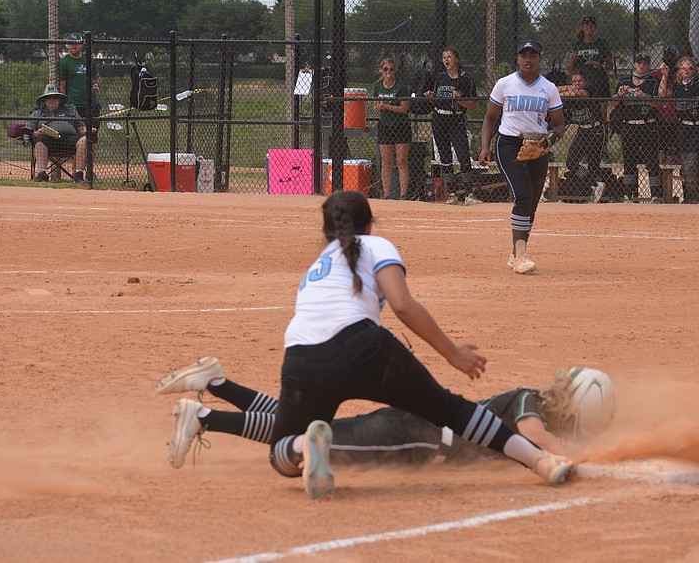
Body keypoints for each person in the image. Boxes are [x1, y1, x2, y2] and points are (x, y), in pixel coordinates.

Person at [167, 191, 575, 499]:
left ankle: (301, 444)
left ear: (327, 231)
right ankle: (541, 461)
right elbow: (402, 304)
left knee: (280, 451)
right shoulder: (376, 245)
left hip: (301, 360)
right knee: (451, 410)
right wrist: (453, 353)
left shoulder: (316, 266)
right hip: (364, 348)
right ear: (370, 224)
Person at [158, 358, 616, 467]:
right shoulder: (530, 401)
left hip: (419, 426)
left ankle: (218, 386)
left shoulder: (531, 400)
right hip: (423, 436)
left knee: (303, 425)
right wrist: (587, 458)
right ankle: (204, 417)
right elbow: (535, 435)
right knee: (320, 441)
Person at [478, 40, 565, 274]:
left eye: (533, 55)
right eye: (524, 55)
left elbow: (559, 125)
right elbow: (489, 118)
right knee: (523, 196)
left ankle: (516, 252)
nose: (528, 59)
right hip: (509, 144)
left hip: (538, 146)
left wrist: (549, 142)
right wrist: (485, 147)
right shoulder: (505, 84)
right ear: (517, 58)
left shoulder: (548, 88)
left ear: (540, 59)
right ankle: (520, 256)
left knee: (532, 203)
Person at [424, 47, 480, 205]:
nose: (446, 60)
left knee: (463, 155)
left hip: (456, 119)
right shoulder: (440, 78)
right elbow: (435, 101)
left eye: (449, 57)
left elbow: (472, 104)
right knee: (445, 157)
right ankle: (452, 193)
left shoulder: (465, 80)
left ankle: (469, 193)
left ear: (456, 59)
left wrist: (459, 100)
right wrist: (430, 97)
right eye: (444, 57)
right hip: (439, 118)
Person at [658, 56, 699, 204]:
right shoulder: (677, 86)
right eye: (683, 68)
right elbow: (662, 94)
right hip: (683, 127)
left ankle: (697, 196)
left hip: (698, 127)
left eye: (689, 68)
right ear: (679, 70)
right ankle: (689, 196)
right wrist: (664, 75)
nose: (686, 70)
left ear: (694, 70)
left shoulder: (698, 83)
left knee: (691, 161)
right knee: (684, 164)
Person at [612, 54, 662, 202]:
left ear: (648, 65)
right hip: (629, 125)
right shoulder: (625, 82)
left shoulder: (653, 82)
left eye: (645, 63)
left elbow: (658, 104)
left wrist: (644, 96)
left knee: (651, 161)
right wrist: (619, 94)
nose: (641, 65)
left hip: (647, 125)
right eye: (639, 63)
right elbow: (613, 103)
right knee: (629, 160)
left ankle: (655, 195)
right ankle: (628, 194)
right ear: (634, 64)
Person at [556, 71, 608, 202]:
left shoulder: (589, 90)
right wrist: (559, 91)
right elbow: (556, 90)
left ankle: (597, 192)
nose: (577, 84)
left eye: (580, 81)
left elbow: (576, 93)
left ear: (585, 82)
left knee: (593, 164)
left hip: (596, 130)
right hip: (582, 131)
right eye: (574, 81)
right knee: (571, 162)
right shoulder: (570, 97)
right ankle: (595, 184)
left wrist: (558, 93)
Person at [26, 84, 89, 183]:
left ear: (59, 100)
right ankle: (43, 173)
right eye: (48, 97)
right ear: (44, 100)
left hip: (69, 141)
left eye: (55, 97)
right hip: (48, 142)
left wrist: (88, 130)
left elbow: (81, 128)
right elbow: (28, 132)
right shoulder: (37, 114)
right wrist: (38, 132)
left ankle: (78, 174)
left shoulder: (70, 111)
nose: (52, 100)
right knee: (39, 141)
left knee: (84, 140)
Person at [371, 58, 411, 200]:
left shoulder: (401, 86)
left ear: (395, 71)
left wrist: (387, 106)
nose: (388, 72)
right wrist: (379, 107)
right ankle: (386, 194)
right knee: (386, 161)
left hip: (401, 126)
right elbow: (376, 109)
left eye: (391, 69)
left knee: (401, 161)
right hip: (385, 125)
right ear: (381, 70)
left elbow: (404, 108)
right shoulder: (377, 86)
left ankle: (403, 195)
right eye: (385, 69)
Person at [566, 16, 613, 101]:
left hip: (600, 82)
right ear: (582, 27)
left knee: (601, 107)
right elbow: (571, 71)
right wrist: (571, 61)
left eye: (592, 24)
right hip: (582, 84)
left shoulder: (601, 43)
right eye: (587, 24)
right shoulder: (577, 45)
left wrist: (600, 66)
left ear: (595, 27)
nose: (589, 26)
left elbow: (610, 66)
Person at [58, 32, 101, 122]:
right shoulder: (63, 62)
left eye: (76, 44)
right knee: (79, 129)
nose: (74, 46)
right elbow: (62, 85)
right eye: (71, 44)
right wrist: (65, 104)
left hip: (92, 103)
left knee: (94, 129)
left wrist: (96, 85)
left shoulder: (89, 59)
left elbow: (97, 77)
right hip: (74, 105)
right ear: (67, 45)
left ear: (81, 45)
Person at [651, 45, 682, 166]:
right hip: (659, 119)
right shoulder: (655, 74)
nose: (670, 58)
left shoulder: (680, 74)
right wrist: (664, 74)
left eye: (672, 56)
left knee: (675, 156)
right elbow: (660, 94)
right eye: (668, 55)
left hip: (676, 119)